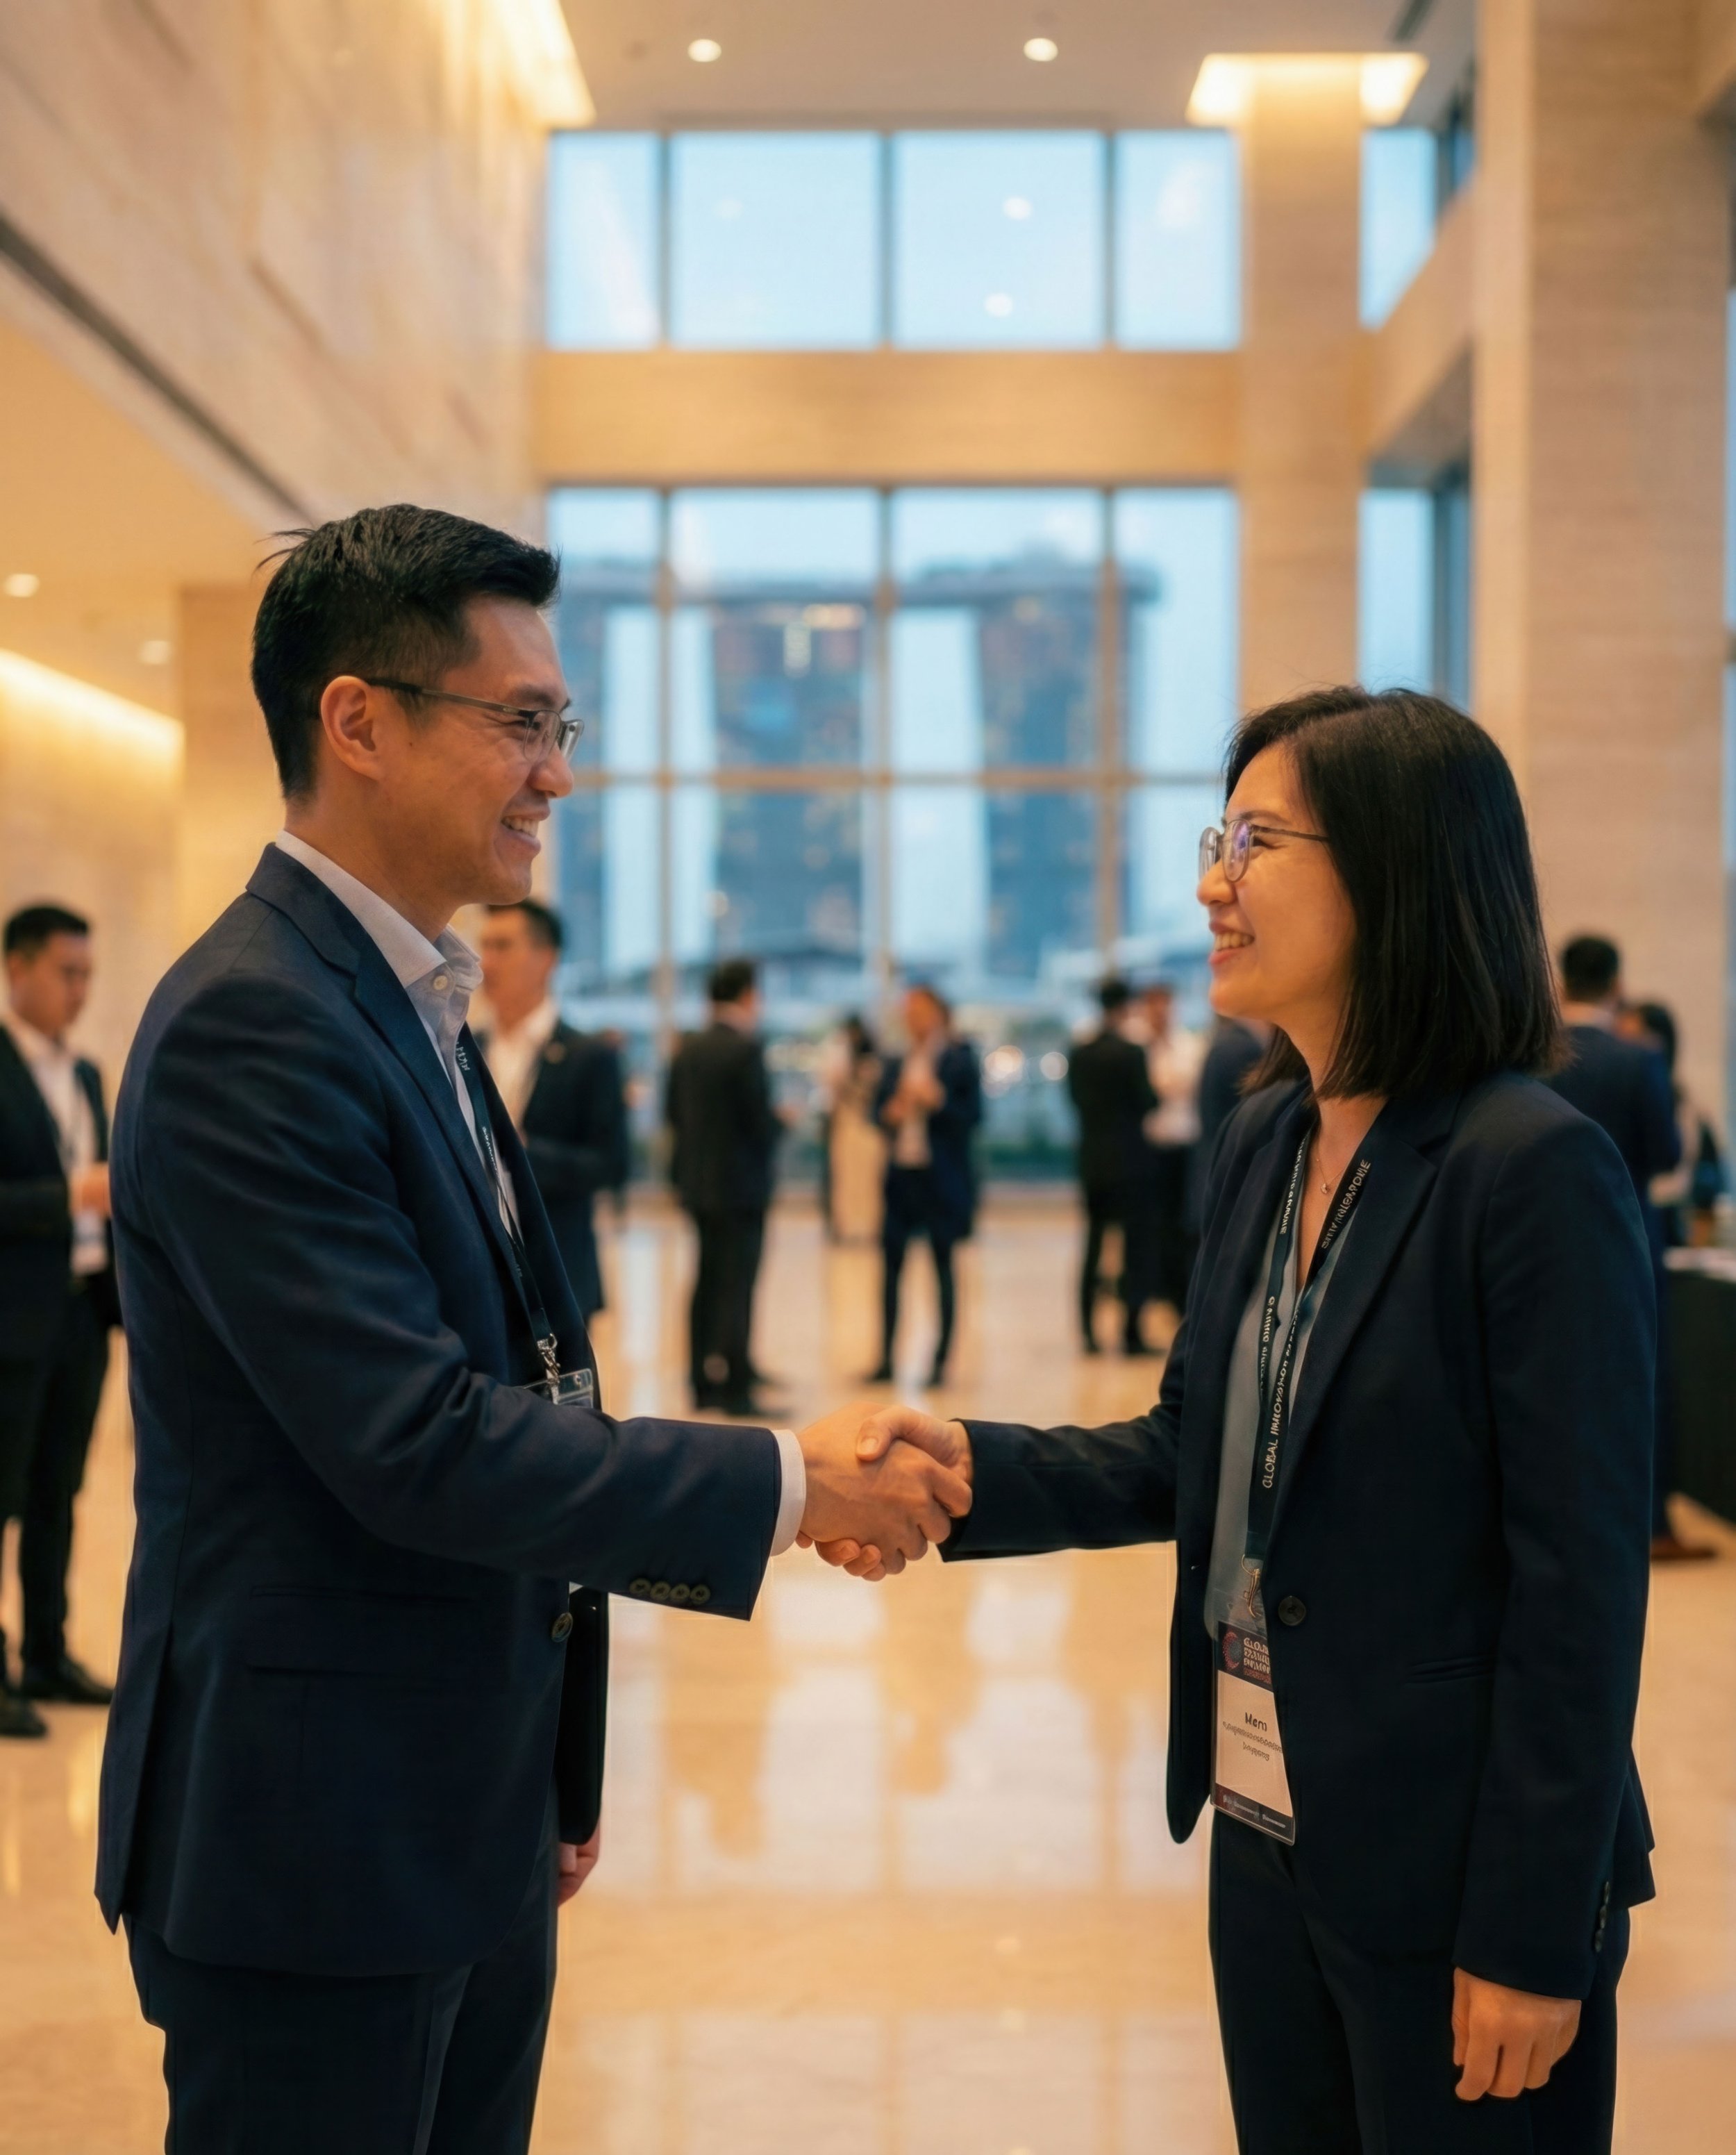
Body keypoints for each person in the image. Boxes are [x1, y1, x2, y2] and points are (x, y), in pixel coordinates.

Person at [97, 504, 970, 2154]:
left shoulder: (404, 995)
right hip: (319, 1835)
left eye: (562, 726)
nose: (555, 775)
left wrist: (549, 1770)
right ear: (359, 722)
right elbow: (416, 1439)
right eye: (520, 722)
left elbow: (534, 1376)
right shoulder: (255, 1024)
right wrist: (791, 1485)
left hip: (459, 1799)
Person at [828, 686, 1656, 2154]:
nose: (1213, 883)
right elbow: (1193, 1445)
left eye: (1256, 841)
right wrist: (974, 1468)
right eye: (1218, 839)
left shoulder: (1527, 1169)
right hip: (1267, 1824)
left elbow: (1577, 1584)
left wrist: (1530, 1929)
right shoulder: (1269, 1133)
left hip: (1455, 1862)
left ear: (1394, 871)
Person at [0, 904, 121, 1736]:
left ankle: (47, 1650)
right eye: (66, 973)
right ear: (18, 969)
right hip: (11, 1316)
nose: (80, 991)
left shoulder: (85, 1073)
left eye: (87, 975)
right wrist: (69, 1195)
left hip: (80, 1313)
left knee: (58, 1490)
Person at [1546, 937, 1702, 1562]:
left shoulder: (1533, 1056)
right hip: (1630, 1235)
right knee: (1644, 1377)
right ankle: (1653, 1522)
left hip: (1545, 1239)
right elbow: (1664, 1154)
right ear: (1616, 984)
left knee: (1550, 1376)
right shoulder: (1638, 1060)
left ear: (1562, 982)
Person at [478, 898, 628, 1320]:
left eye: (503, 946)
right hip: (477, 1276)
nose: (487, 962)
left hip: (559, 1271)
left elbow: (610, 1164)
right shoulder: (463, 1048)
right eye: (484, 946)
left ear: (546, 959)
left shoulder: (588, 1056)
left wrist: (519, 1152)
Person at [665, 958, 784, 1417]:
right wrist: (781, 1123)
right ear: (748, 994)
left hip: (698, 1184)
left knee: (706, 1280)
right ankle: (736, 1386)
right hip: (741, 1188)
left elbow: (672, 1113)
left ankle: (701, 1380)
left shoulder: (688, 1048)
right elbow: (758, 1123)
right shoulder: (745, 1049)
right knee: (737, 1284)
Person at [869, 985, 982, 1388]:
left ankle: (940, 1362)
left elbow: (974, 1115)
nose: (913, 1017)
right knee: (890, 1270)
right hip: (902, 1178)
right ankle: (885, 1358)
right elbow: (876, 1114)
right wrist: (892, 1111)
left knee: (942, 1268)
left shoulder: (959, 1058)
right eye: (908, 1010)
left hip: (941, 1180)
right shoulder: (895, 1059)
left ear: (937, 1012)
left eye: (920, 1009)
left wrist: (937, 1100)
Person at [1066, 978, 1160, 1356]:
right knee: (1134, 1247)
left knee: (1092, 1245)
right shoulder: (1132, 1053)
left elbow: (1074, 1101)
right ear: (1126, 1007)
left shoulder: (1080, 1053)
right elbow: (1148, 1101)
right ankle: (1131, 1333)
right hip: (1132, 1161)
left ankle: (1088, 1333)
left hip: (1093, 1161)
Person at [1617, 999, 1726, 1247]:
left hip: (1673, 1236)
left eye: (1634, 1041)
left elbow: (1707, 1193)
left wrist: (1695, 1247)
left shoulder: (1688, 1111)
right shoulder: (1615, 1110)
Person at [1139, 980, 1205, 1315]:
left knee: (1181, 1221)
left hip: (1182, 1142)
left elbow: (1188, 1084)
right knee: (1150, 1222)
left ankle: (1178, 1292)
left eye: (1165, 1004)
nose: (1160, 1011)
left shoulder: (1188, 1044)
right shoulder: (1136, 1045)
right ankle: (1153, 1287)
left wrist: (1166, 1085)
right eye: (1154, 1004)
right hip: (1148, 1145)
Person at [820, 1014, 885, 1246]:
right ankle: (847, 1226)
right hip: (848, 1126)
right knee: (846, 1178)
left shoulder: (873, 1063)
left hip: (866, 1126)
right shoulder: (844, 1060)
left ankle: (867, 1226)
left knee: (868, 1180)